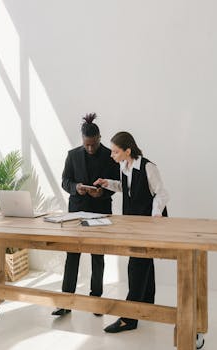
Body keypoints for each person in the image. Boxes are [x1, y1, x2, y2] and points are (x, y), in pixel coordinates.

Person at [93, 131, 169, 332]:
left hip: (149, 222)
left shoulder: (148, 167)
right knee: (144, 261)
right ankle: (146, 305)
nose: (112, 155)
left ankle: (129, 318)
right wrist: (107, 183)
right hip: (133, 222)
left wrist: (154, 216)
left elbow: (161, 193)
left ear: (128, 150)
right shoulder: (123, 166)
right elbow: (126, 188)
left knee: (136, 265)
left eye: (115, 152)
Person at [52, 113, 119, 317]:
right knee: (72, 254)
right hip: (77, 211)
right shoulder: (72, 155)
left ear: (99, 138)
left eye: (93, 144)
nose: (90, 148)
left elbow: (116, 183)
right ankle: (65, 302)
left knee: (97, 255)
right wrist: (76, 187)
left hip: (100, 210)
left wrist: (103, 192)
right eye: (86, 144)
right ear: (82, 140)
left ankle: (96, 299)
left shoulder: (110, 156)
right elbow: (65, 180)